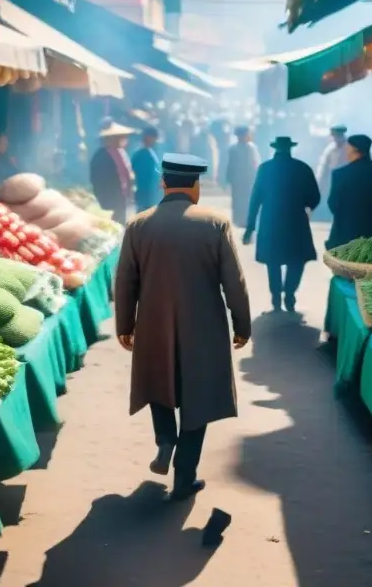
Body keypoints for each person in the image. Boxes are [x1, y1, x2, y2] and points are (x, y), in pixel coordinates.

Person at [115, 153, 251, 501]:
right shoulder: (214, 223)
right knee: (198, 398)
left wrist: (125, 324)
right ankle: (183, 479)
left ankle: (164, 440)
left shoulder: (138, 225)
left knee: (158, 381)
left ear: (163, 184)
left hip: (153, 323)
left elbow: (126, 281)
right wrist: (242, 324)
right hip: (203, 326)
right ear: (196, 186)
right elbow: (233, 282)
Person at [243, 137, 321, 313]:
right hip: (296, 221)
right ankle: (290, 294)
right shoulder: (302, 168)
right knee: (297, 260)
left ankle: (276, 297)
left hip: (271, 220)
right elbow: (314, 198)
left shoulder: (265, 169)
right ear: (290, 149)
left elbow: (255, 199)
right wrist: (305, 205)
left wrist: (250, 227)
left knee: (273, 261)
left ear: (275, 149)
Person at [326, 134, 372, 250]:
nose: (346, 150)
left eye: (348, 147)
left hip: (347, 237)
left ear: (353, 149)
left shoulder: (340, 174)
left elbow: (333, 205)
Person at [89, 123, 136, 225]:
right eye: (120, 137)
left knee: (121, 221)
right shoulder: (101, 156)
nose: (124, 140)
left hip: (121, 196)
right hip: (111, 196)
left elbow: (127, 173)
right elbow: (98, 179)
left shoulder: (121, 152)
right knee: (114, 223)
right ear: (111, 139)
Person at [226, 126, 260, 228]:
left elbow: (256, 163)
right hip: (238, 179)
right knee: (238, 199)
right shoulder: (234, 149)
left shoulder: (251, 148)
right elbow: (230, 165)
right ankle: (239, 219)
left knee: (247, 199)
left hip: (248, 178)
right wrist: (229, 178)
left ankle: (246, 219)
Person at [314, 125, 349, 220]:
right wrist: (319, 185)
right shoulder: (330, 150)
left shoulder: (350, 148)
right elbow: (322, 168)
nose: (336, 138)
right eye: (334, 136)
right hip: (333, 182)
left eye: (338, 135)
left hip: (349, 182)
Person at [131, 127, 163, 213]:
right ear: (148, 137)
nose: (155, 141)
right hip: (145, 192)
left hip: (152, 193)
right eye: (154, 138)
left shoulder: (150, 152)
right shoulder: (141, 154)